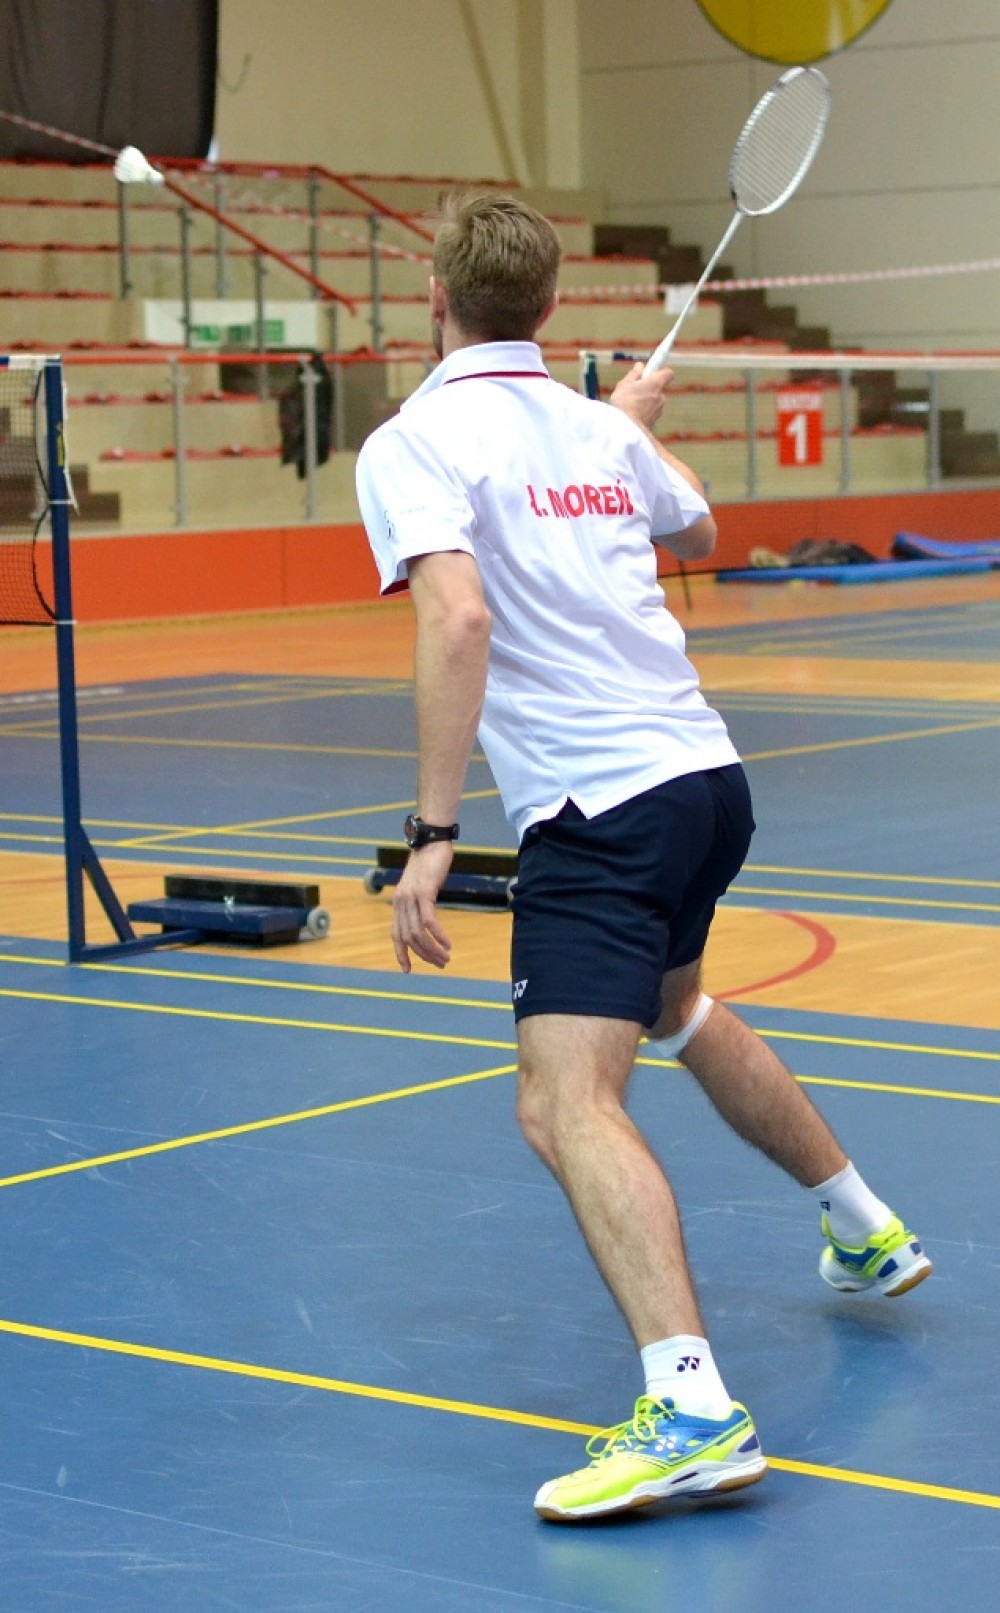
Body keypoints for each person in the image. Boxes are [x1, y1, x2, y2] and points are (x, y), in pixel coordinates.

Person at [355, 191, 932, 1524]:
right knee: (676, 1006)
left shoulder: (413, 440)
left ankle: (691, 1409)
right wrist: (625, 429)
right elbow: (702, 532)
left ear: (435, 299)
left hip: (598, 812)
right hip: (705, 786)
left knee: (562, 1103)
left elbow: (458, 619)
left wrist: (433, 833)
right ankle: (863, 1225)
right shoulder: (598, 428)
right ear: (553, 307)